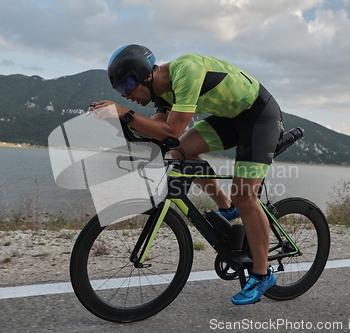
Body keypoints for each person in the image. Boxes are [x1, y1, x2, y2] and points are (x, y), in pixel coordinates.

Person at [89, 44, 283, 305]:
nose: (126, 96)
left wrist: (125, 114)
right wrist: (122, 121)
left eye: (126, 86)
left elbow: (171, 131)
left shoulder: (186, 71)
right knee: (180, 152)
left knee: (245, 196)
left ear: (144, 75)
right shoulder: (163, 92)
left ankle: (262, 274)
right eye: (120, 92)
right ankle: (226, 208)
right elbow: (159, 131)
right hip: (230, 118)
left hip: (258, 115)